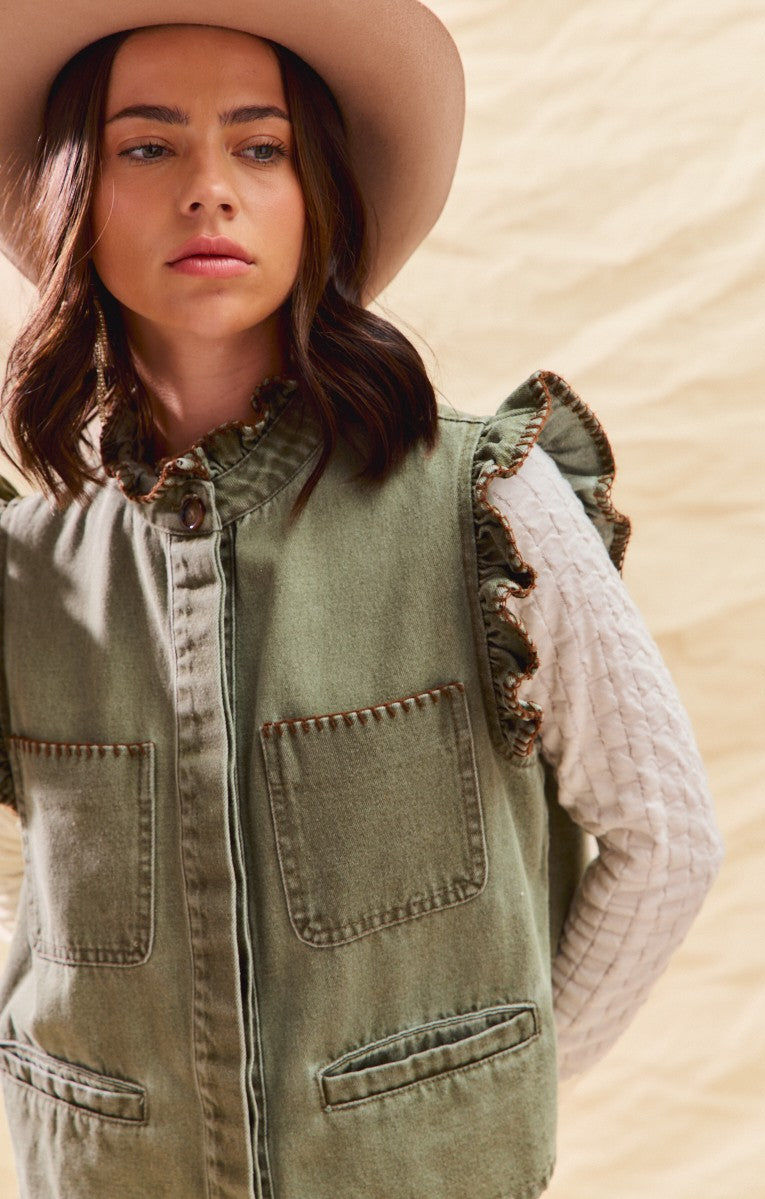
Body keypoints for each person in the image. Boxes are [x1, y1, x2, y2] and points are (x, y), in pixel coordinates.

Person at [0, 4, 723, 1197]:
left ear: (317, 193)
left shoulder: (485, 504)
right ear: (73, 190)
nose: (207, 190)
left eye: (260, 147)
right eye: (146, 146)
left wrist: (491, 1089)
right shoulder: (30, 560)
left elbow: (664, 837)